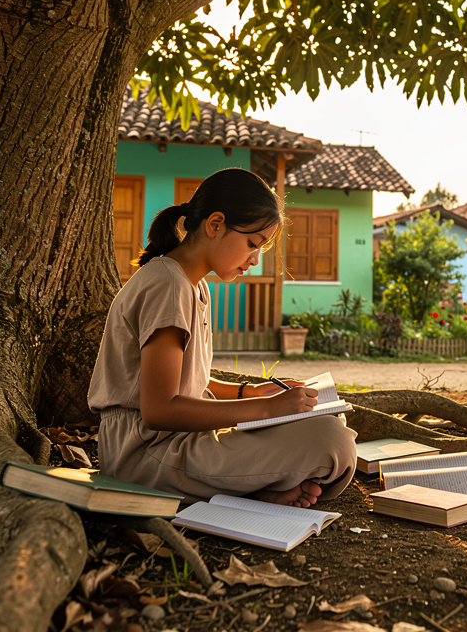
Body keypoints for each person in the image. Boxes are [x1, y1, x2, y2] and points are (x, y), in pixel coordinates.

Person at [88, 168, 356, 507]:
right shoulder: (167, 285)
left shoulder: (192, 284)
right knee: (331, 442)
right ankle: (251, 490)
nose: (255, 259)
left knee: (327, 420)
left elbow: (186, 382)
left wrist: (250, 392)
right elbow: (160, 409)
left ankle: (253, 491)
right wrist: (267, 408)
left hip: (176, 441)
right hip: (143, 454)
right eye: (252, 244)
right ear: (215, 225)